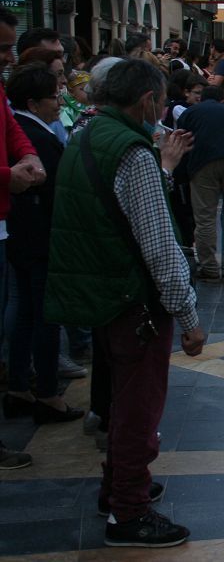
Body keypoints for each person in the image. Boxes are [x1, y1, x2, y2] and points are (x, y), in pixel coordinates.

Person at [45, 59, 204, 547]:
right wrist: (190, 317)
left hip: (100, 291)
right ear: (146, 102)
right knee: (139, 407)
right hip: (131, 298)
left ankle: (118, 487)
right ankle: (129, 513)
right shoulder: (133, 152)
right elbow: (159, 244)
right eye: (158, 103)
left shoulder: (85, 136)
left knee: (121, 401)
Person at [3, 63, 85, 425]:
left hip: (22, 236)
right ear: (33, 103)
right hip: (39, 236)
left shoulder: (24, 129)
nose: (61, 100)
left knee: (25, 314)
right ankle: (48, 393)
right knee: (44, 315)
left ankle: (20, 387)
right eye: (55, 95)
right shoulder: (35, 135)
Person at [0, 8, 45, 470]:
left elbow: (12, 131)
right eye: (1, 48)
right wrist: (4, 176)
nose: (8, 57)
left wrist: (28, 156)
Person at [177, 84, 224, 283]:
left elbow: (182, 139)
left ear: (202, 98)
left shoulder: (191, 112)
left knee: (205, 217)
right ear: (221, 100)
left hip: (202, 164)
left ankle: (209, 268)